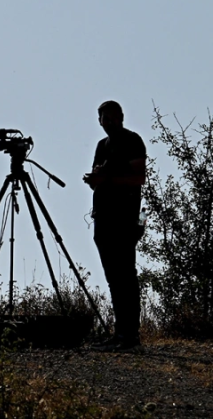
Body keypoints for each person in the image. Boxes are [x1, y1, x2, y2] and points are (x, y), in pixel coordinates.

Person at [83, 101, 147, 352]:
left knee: (125, 276)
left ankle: (130, 336)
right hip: (103, 217)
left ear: (121, 116)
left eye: (112, 117)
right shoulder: (102, 145)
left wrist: (106, 178)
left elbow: (139, 178)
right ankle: (121, 333)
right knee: (114, 278)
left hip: (125, 218)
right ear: (99, 121)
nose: (108, 122)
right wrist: (96, 179)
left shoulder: (132, 140)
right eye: (104, 119)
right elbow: (96, 181)